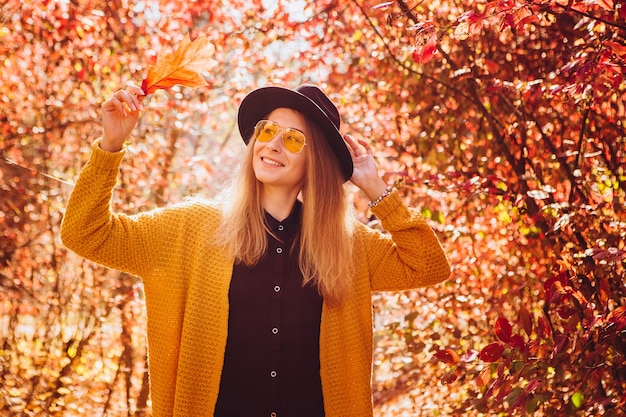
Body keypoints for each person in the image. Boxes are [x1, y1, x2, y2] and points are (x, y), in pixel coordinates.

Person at [61, 83, 451, 417]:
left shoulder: (346, 247)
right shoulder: (192, 228)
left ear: (314, 161)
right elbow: (85, 232)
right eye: (267, 131)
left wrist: (376, 189)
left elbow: (428, 265)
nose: (274, 145)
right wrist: (111, 146)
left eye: (294, 139)